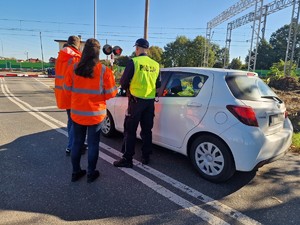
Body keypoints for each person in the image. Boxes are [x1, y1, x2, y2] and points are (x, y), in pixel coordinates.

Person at [64, 38, 117, 182]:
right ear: (98, 53)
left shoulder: (73, 68)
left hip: (77, 114)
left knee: (77, 143)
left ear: (84, 50)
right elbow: (111, 93)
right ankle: (91, 173)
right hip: (96, 115)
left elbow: (67, 90)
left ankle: (76, 172)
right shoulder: (104, 70)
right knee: (93, 144)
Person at [113, 38, 160, 168]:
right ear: (148, 49)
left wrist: (128, 88)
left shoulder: (134, 62)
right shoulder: (156, 65)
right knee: (146, 130)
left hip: (135, 102)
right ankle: (146, 156)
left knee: (130, 130)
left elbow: (123, 82)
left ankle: (128, 159)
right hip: (149, 102)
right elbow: (158, 84)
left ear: (137, 48)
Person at [54, 35, 86, 156]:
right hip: (74, 94)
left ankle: (72, 144)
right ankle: (72, 146)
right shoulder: (75, 57)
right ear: (78, 44)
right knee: (76, 122)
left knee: (71, 120)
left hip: (63, 93)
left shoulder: (60, 56)